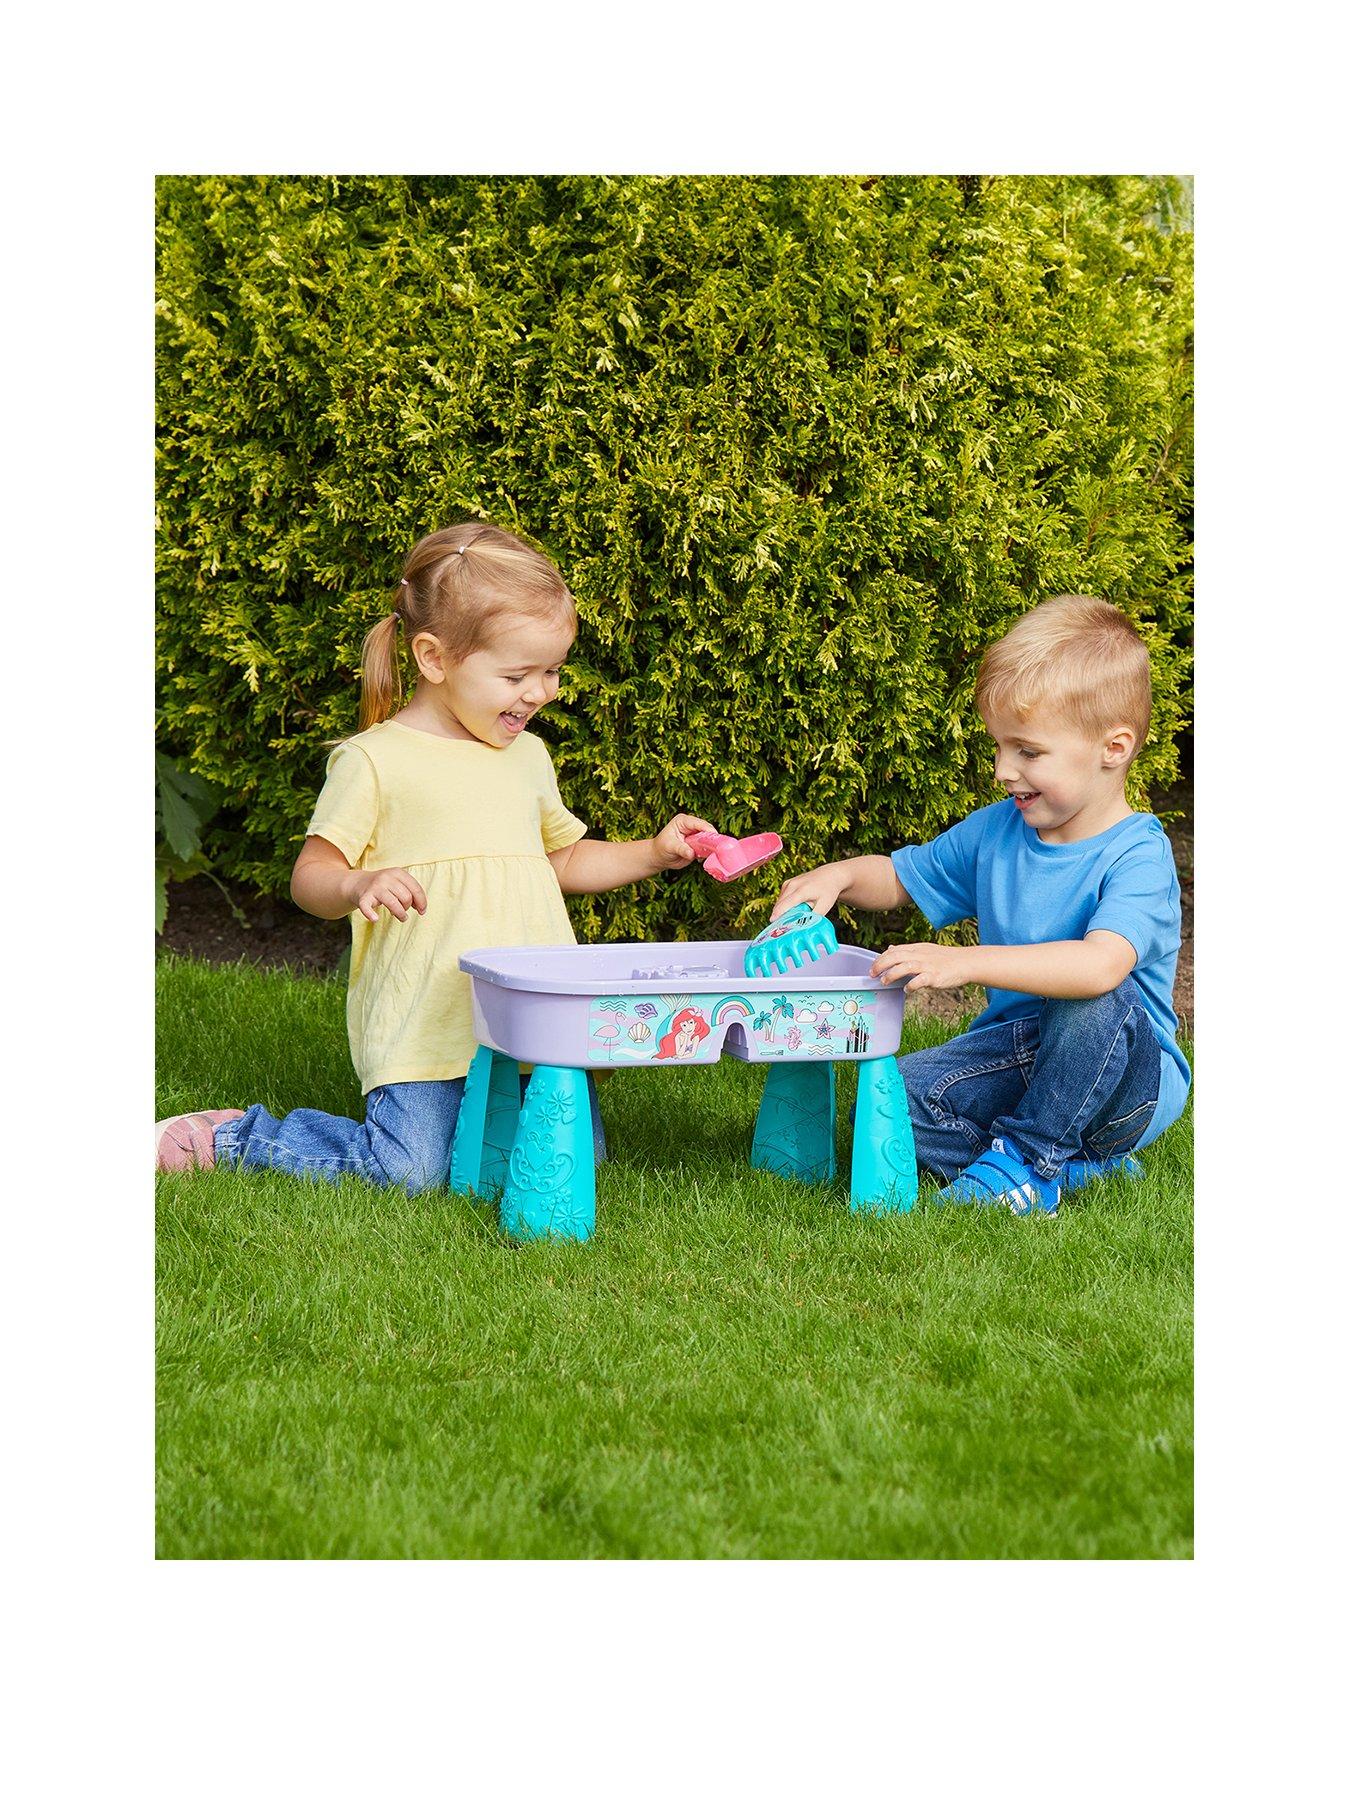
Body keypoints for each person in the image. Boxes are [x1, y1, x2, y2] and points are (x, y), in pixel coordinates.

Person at [156, 522, 716, 1190]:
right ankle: (240, 1138)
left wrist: (654, 852)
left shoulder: (527, 758)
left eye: (552, 671)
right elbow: (310, 877)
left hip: (529, 1021)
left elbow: (562, 864)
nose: (542, 693)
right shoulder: (375, 760)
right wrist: (357, 883)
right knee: (408, 1172)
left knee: (562, 1170)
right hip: (425, 1025)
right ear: (433, 658)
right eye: (518, 674)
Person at [772, 594, 1190, 1215]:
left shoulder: (1138, 857)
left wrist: (964, 962)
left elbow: (1099, 968)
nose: (1002, 770)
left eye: (1027, 751)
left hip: (1119, 1080)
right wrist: (836, 878)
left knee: (1093, 996)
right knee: (887, 1105)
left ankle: (1030, 1160)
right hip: (1015, 1054)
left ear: (1114, 747)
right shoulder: (998, 831)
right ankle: (1072, 1167)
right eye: (999, 747)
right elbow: (900, 877)